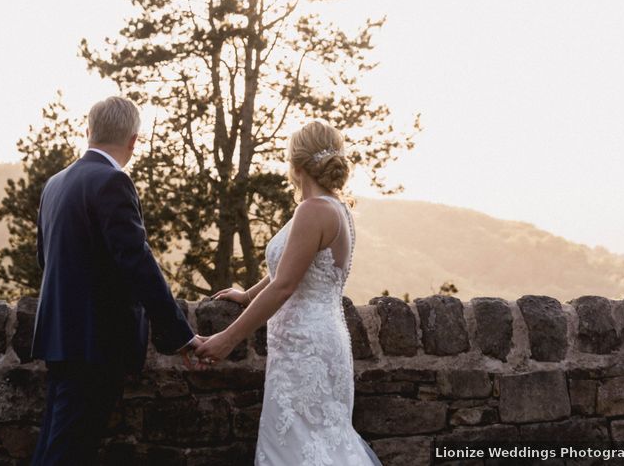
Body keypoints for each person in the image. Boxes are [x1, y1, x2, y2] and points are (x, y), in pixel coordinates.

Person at [29, 96, 205, 466]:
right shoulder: (112, 181)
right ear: (133, 141)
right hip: (96, 341)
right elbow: (136, 262)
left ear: (88, 131)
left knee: (55, 445)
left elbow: (45, 259)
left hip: (59, 337)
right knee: (68, 452)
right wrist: (179, 334)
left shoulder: (55, 183)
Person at [195, 120, 383, 465]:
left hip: (305, 347)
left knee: (299, 447)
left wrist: (227, 338)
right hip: (321, 337)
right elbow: (290, 269)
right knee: (321, 440)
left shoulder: (313, 211)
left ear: (294, 165)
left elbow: (285, 285)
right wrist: (248, 294)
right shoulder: (335, 207)